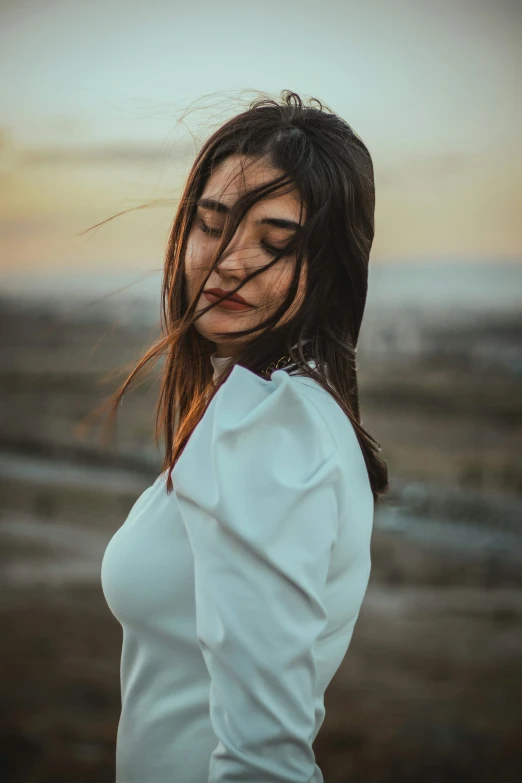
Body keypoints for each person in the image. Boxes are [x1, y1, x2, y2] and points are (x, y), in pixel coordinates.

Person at [101, 90, 388, 783]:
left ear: (328, 269)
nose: (230, 260)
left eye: (276, 242)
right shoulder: (267, 407)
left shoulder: (274, 429)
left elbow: (265, 760)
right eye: (212, 222)